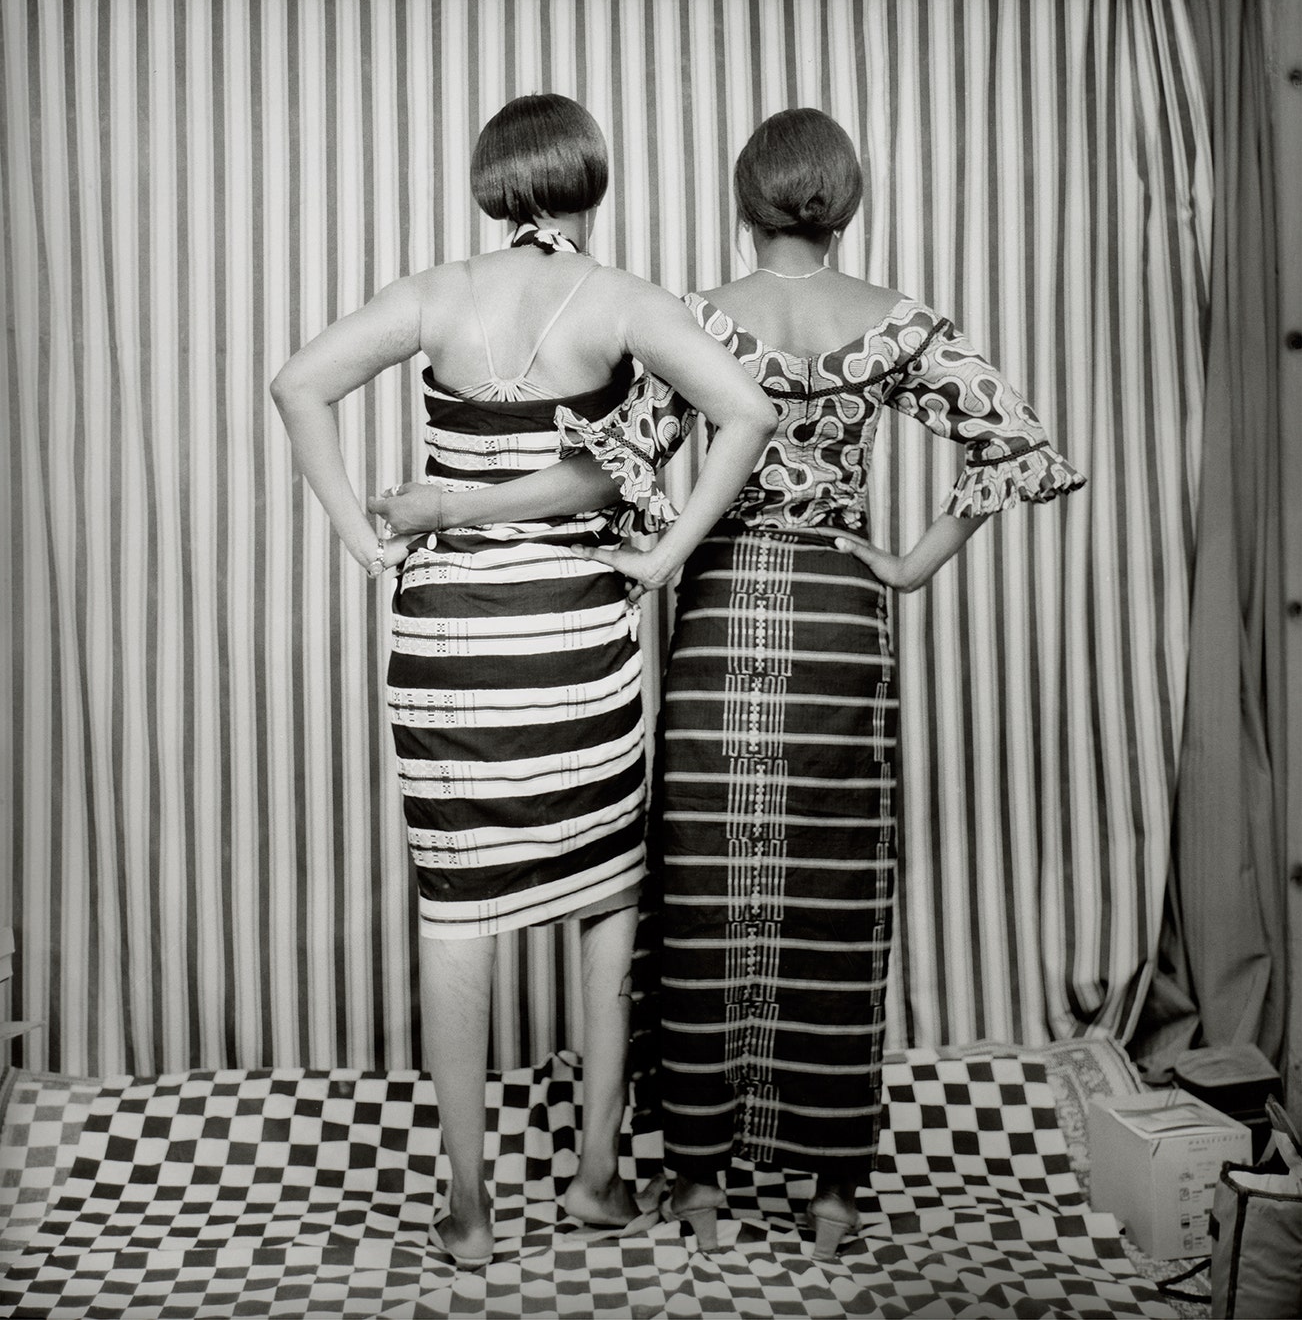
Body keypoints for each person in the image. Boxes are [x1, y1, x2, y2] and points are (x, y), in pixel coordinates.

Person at [404, 107, 1086, 1260]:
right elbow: (1011, 440)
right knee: (836, 896)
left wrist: (489, 514)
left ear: (742, 204)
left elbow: (617, 465)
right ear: (847, 204)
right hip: (840, 625)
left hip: (720, 618)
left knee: (702, 899)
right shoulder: (901, 322)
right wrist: (911, 563)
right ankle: (832, 1194)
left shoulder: (703, 319)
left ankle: (702, 1185)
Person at [270, 93, 776, 1270]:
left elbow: (298, 383)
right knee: (608, 899)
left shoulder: (436, 293)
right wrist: (666, 553)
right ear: (590, 179)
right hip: (575, 639)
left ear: (493, 184)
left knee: (458, 910)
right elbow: (746, 412)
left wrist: (364, 541)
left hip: (449, 635)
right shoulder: (624, 301)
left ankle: (467, 1209)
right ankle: (595, 1181)